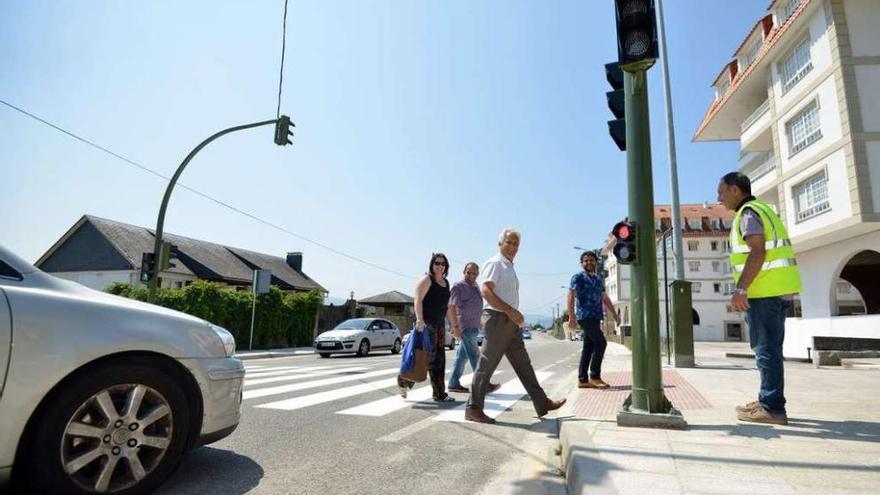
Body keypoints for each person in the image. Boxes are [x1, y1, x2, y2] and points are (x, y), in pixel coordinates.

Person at [718, 172, 801, 425]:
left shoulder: (748, 214)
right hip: (775, 290)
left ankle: (772, 407)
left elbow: (758, 251)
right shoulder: (762, 209)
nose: (719, 198)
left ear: (735, 190)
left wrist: (741, 289)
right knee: (771, 349)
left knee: (765, 350)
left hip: (763, 292)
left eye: (721, 192)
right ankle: (768, 400)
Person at [465, 228, 567, 424]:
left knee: (524, 365)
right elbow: (486, 291)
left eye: (516, 244)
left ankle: (542, 402)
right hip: (497, 319)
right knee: (486, 365)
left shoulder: (508, 266)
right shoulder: (495, 263)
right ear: (500, 244)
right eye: (509, 243)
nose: (512, 247)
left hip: (509, 323)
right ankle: (473, 408)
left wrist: (514, 317)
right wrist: (510, 311)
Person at [398, 253, 456, 402]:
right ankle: (403, 381)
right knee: (423, 358)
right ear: (432, 264)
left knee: (439, 361)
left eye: (443, 264)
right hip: (426, 324)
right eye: (437, 263)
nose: (440, 266)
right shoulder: (426, 279)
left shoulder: (446, 283)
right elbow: (417, 299)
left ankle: (439, 394)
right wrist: (419, 319)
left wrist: (452, 324)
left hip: (439, 326)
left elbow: (447, 306)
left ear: (446, 267)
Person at [567, 251, 619, 389]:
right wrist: (571, 317)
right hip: (585, 316)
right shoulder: (578, 277)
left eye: (591, 260)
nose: (589, 262)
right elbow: (571, 296)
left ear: (596, 262)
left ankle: (583, 380)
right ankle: (595, 376)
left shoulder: (598, 279)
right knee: (601, 343)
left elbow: (604, 297)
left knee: (588, 348)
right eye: (586, 260)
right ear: (582, 263)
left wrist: (614, 314)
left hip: (596, 317)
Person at [447, 262, 500, 394]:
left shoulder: (475, 287)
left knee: (462, 357)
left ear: (477, 274)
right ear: (463, 272)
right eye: (468, 272)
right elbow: (452, 306)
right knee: (475, 355)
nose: (471, 275)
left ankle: (453, 383)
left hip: (474, 327)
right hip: (464, 327)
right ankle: (483, 384)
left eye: (474, 273)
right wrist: (455, 326)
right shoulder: (458, 286)